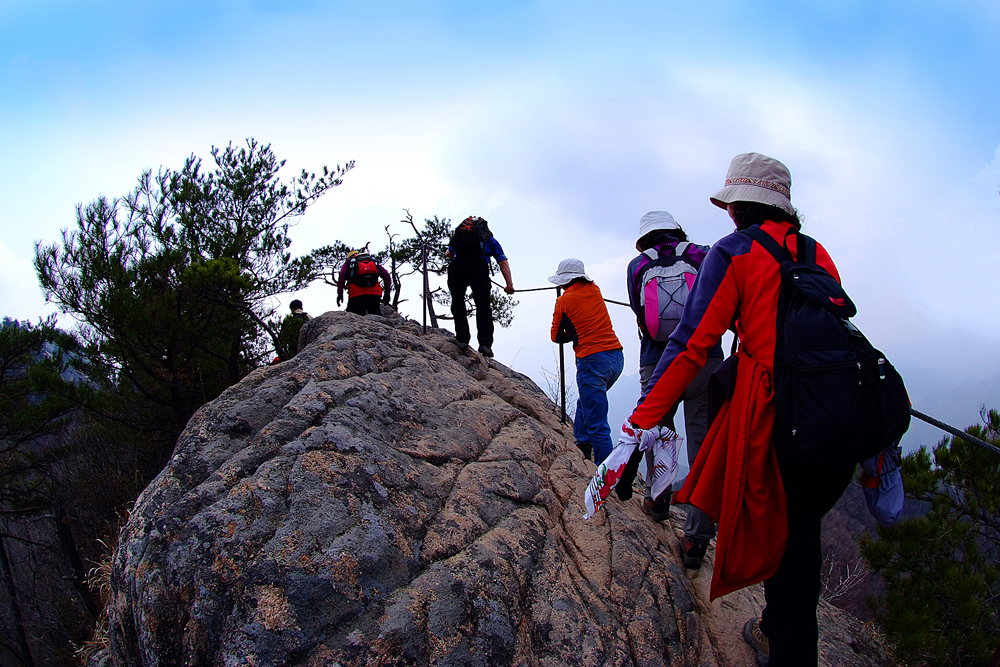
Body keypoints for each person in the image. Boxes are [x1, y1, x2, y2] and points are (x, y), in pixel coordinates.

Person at [626, 153, 852, 667]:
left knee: (787, 550)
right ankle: (775, 628)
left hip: (776, 417)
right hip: (834, 416)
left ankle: (787, 647)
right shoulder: (818, 253)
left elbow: (690, 345)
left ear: (737, 207)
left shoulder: (734, 252)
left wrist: (641, 418)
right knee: (802, 541)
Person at [626, 211, 723, 566]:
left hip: (658, 362)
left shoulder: (638, 265)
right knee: (704, 445)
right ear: (676, 229)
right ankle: (697, 538)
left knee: (658, 433)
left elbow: (641, 314)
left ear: (644, 237)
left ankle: (659, 499)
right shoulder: (703, 254)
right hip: (706, 358)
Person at [549, 258, 624, 465]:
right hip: (617, 358)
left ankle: (606, 478)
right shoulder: (595, 289)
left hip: (592, 361)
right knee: (587, 399)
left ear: (564, 281)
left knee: (598, 426)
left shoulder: (564, 301)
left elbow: (555, 336)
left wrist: (575, 335)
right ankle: (583, 443)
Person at [445, 216, 514, 358]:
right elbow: (502, 262)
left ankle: (462, 339)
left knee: (457, 301)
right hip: (479, 269)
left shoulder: (461, 235)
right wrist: (509, 284)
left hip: (458, 266)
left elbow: (448, 254)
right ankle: (485, 344)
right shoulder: (489, 239)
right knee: (483, 306)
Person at [337, 249, 391, 316]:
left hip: (356, 294)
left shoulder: (349, 262)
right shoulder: (372, 261)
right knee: (375, 317)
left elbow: (342, 275)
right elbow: (386, 276)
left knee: (353, 319)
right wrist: (387, 293)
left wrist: (340, 293)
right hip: (375, 294)